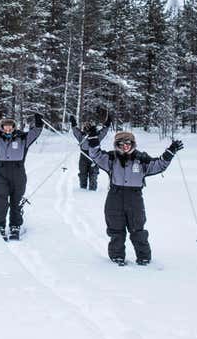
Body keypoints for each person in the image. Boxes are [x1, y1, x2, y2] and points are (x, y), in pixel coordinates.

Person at [87, 129, 183, 266]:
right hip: (115, 197)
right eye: (120, 144)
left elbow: (159, 164)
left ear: (133, 144)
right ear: (116, 145)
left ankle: (143, 257)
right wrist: (93, 140)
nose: (125, 146)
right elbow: (95, 155)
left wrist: (170, 152)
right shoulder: (111, 158)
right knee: (116, 229)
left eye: (128, 143)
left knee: (137, 229)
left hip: (134, 198)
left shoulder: (141, 159)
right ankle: (117, 256)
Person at [0, 110, 43, 240]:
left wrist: (39, 123)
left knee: (16, 201)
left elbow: (35, 133)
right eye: (5, 125)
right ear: (2, 127)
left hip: (18, 172)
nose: (8, 128)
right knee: (1, 199)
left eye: (10, 125)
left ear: (13, 127)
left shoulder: (22, 139)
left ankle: (15, 226)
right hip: (2, 172)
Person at [69, 114, 111, 190]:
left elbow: (104, 131)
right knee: (82, 174)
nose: (87, 127)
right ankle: (82, 189)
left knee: (93, 175)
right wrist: (73, 123)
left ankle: (92, 190)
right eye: (85, 126)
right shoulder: (81, 136)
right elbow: (75, 130)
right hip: (84, 156)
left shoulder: (96, 136)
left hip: (94, 158)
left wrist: (107, 124)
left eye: (89, 126)